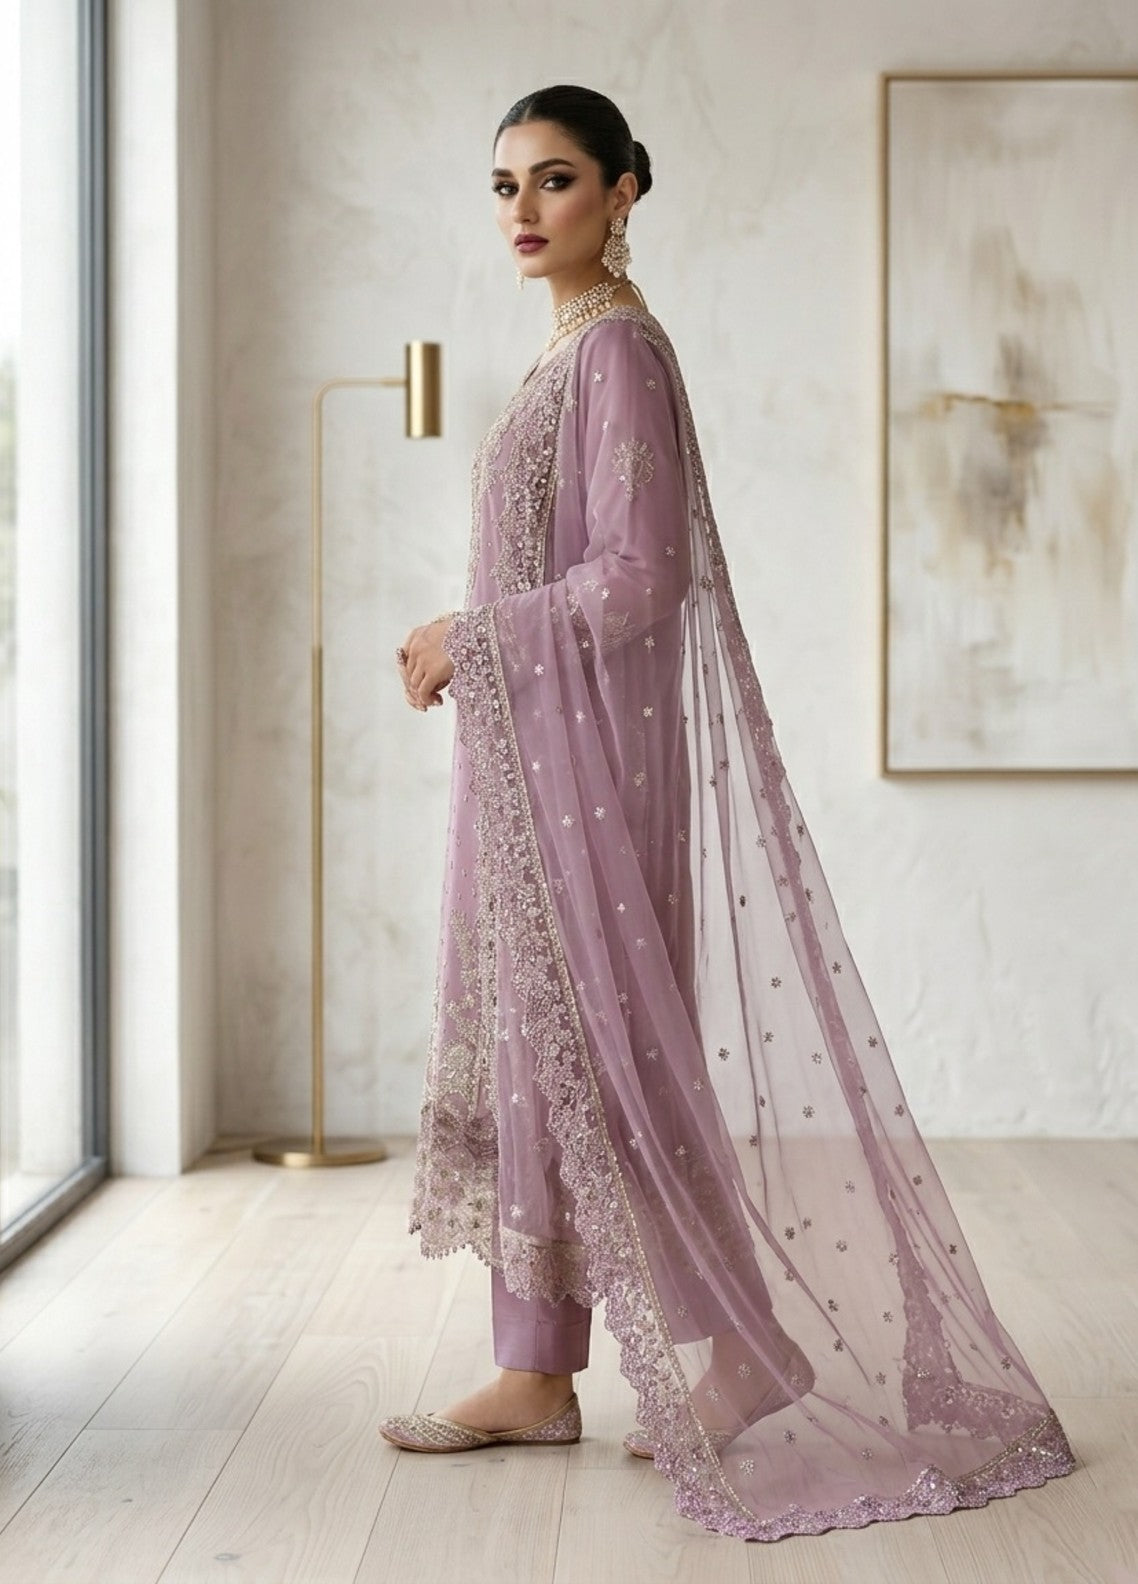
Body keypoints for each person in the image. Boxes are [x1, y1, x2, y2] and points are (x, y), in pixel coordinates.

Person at [379, 84, 1077, 1543]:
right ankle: (535, 1370)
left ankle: (746, 1344)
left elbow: (646, 581)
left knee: (613, 1054)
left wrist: (472, 631)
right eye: (504, 184)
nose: (523, 210)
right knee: (541, 1054)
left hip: (590, 776)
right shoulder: (566, 352)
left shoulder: (617, 354)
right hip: (535, 764)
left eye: (555, 180)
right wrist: (481, 644)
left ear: (624, 191)